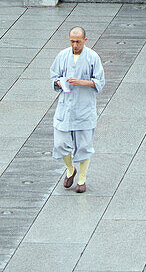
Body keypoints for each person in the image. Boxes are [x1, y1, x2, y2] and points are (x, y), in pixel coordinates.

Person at [50, 26, 105, 193]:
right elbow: (54, 76)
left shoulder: (93, 57)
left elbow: (99, 82)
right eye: (72, 41)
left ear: (85, 41)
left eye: (78, 42)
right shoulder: (62, 56)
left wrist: (81, 82)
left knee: (83, 146)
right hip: (65, 108)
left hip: (84, 108)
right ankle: (70, 169)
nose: (75, 45)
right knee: (60, 143)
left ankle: (82, 178)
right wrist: (60, 82)